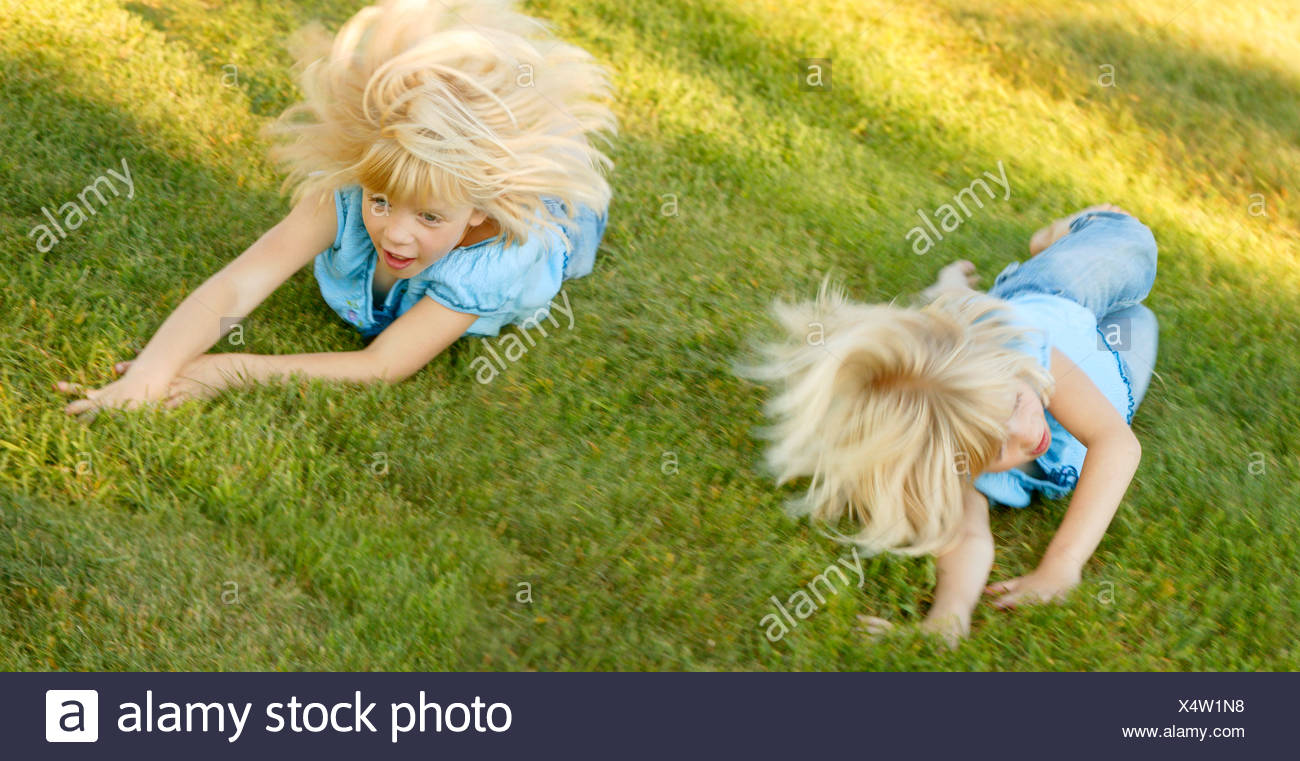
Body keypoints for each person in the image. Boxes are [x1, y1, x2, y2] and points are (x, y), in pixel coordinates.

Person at [58, 0, 615, 421]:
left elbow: (383, 364)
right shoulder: (352, 192)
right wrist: (152, 372)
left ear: (474, 214)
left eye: (428, 217)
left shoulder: (496, 260)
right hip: (463, 182)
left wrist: (231, 367)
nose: (395, 233)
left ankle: (547, 143)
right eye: (382, 202)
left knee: (569, 195)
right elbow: (238, 286)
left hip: (556, 227)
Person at [741, 205, 1158, 647]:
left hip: (1053, 298)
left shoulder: (1019, 349)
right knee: (1142, 319)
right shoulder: (956, 458)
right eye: (998, 452)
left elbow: (1116, 443)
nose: (1027, 434)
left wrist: (1062, 564)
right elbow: (968, 540)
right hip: (1113, 370)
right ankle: (951, 294)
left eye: (1016, 403)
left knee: (1135, 246)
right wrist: (948, 618)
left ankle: (1051, 239)